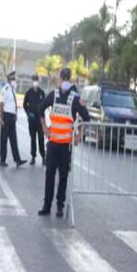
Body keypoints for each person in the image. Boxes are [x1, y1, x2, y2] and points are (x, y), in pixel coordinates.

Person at [38, 68, 91, 217]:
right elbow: (40, 108)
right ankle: (47, 205)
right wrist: (44, 129)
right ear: (61, 79)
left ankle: (60, 206)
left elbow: (86, 117)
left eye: (67, 78)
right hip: (53, 143)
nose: (65, 81)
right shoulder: (53, 95)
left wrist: (81, 134)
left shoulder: (75, 98)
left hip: (66, 146)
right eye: (64, 78)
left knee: (62, 177)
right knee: (49, 175)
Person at [0, 71, 27, 167]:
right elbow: (2, 104)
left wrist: (15, 115)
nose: (14, 81)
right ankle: (2, 160)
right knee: (4, 139)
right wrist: (1, 119)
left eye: (15, 79)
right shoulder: (5, 89)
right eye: (13, 79)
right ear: (9, 80)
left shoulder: (12, 89)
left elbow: (13, 104)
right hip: (6, 116)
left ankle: (17, 160)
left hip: (12, 117)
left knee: (14, 140)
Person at [23, 74, 46, 165]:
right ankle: (33, 157)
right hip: (32, 120)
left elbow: (44, 105)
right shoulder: (28, 93)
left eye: (36, 80)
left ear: (38, 81)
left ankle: (43, 157)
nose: (35, 82)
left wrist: (43, 116)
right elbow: (25, 105)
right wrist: (29, 113)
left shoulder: (42, 92)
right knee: (33, 138)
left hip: (40, 120)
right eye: (34, 80)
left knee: (41, 139)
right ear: (32, 81)